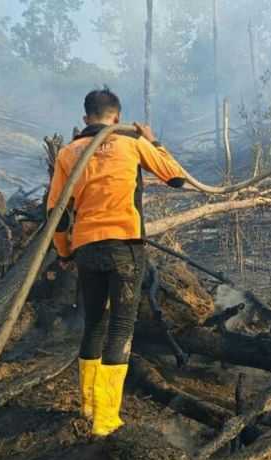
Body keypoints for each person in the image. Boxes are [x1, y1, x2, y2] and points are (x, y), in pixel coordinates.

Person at [47, 88, 188, 437]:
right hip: (124, 245)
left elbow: (56, 213)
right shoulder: (131, 143)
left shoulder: (68, 152)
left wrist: (64, 252)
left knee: (94, 323)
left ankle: (88, 404)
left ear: (85, 119)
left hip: (86, 248)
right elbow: (177, 178)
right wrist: (153, 142)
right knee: (121, 328)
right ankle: (106, 419)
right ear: (118, 118)